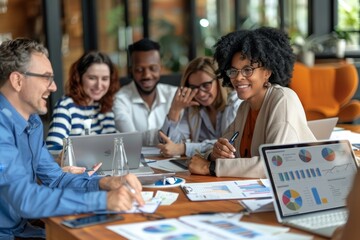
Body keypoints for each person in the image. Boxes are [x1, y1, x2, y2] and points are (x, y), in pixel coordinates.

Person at [0, 38, 144, 239]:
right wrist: (103, 201)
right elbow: (25, 199)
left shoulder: (32, 123)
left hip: (23, 230)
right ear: (17, 80)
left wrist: (105, 183)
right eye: (46, 77)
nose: (53, 87)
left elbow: (57, 178)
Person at [188, 27, 316, 178]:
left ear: (267, 72)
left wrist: (211, 167)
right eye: (233, 71)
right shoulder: (245, 107)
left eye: (248, 70)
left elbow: (275, 164)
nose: (238, 77)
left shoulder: (282, 100)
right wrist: (215, 154)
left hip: (301, 191)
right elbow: (223, 145)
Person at [158, 56, 241, 157]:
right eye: (193, 87)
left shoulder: (236, 103)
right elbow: (169, 145)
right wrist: (175, 110)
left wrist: (184, 148)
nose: (200, 94)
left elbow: (229, 145)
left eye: (206, 85)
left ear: (219, 81)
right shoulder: (193, 108)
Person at [46, 51, 120, 158]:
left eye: (105, 79)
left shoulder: (105, 106)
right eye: (92, 78)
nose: (99, 85)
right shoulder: (65, 106)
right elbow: (52, 149)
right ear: (79, 77)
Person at [113, 38, 177, 146]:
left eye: (153, 68)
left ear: (160, 68)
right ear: (131, 71)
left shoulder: (174, 95)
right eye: (139, 69)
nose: (147, 75)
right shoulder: (119, 99)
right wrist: (172, 121)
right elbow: (132, 139)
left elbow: (185, 137)